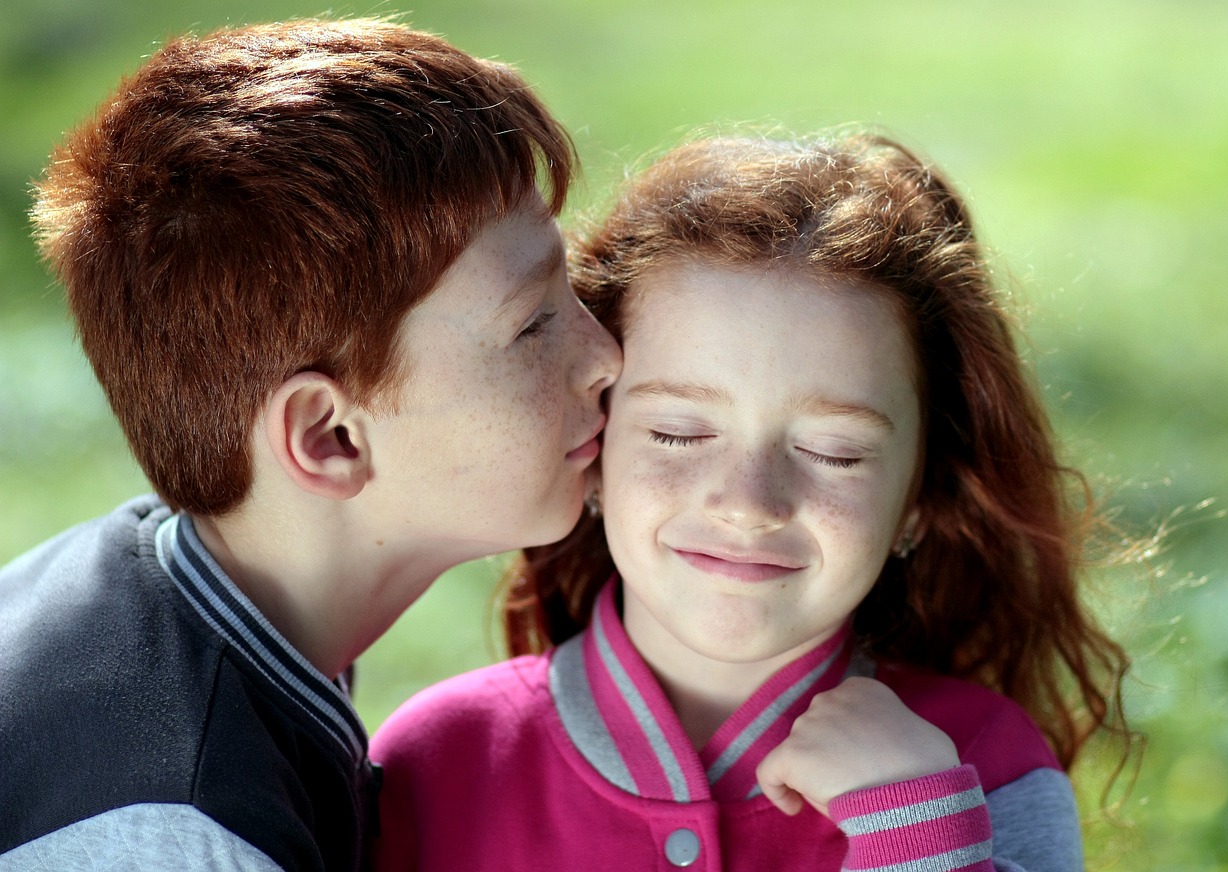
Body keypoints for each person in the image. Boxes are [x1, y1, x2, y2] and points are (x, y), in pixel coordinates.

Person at [370, 134, 1136, 871]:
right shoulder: (436, 758)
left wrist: (918, 833)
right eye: (676, 432)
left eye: (835, 451)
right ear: (592, 448)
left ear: (920, 498)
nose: (748, 503)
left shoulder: (988, 762)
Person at [0, 17, 620, 872]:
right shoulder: (175, 830)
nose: (605, 357)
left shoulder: (170, 599)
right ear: (329, 438)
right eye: (532, 323)